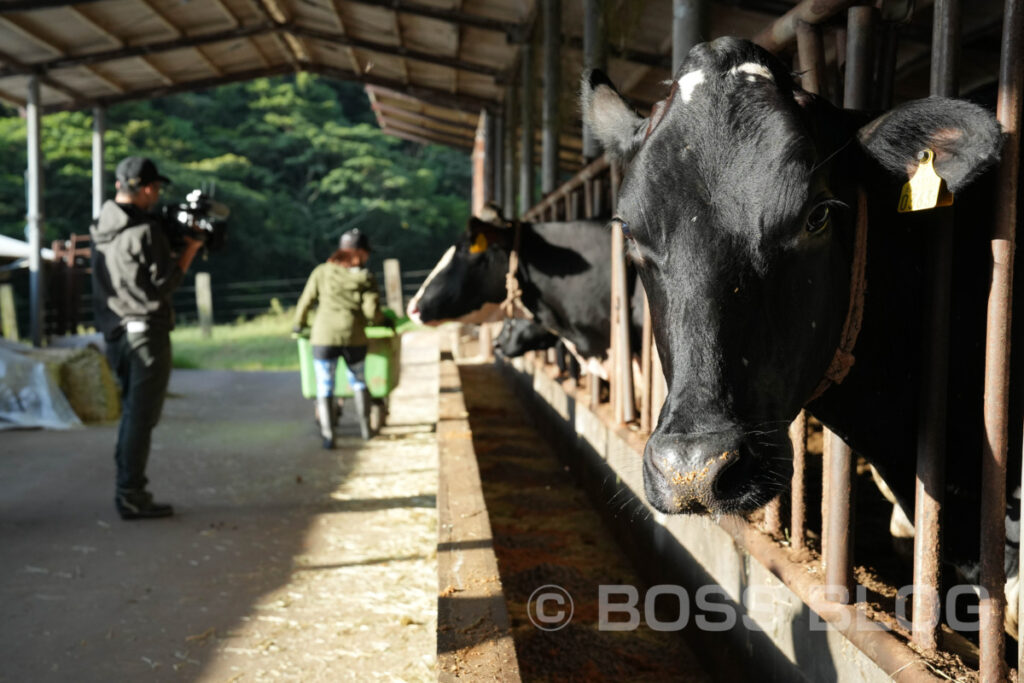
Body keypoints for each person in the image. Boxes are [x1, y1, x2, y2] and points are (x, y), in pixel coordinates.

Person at [91, 156, 203, 520]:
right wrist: (188, 251)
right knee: (141, 418)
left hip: (115, 332)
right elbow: (164, 284)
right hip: (146, 333)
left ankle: (129, 487)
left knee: (131, 415)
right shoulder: (146, 232)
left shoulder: (101, 227)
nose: (156, 196)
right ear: (146, 188)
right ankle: (131, 493)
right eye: (155, 188)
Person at [293, 229, 388, 446]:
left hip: (323, 337)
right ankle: (366, 431)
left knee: (325, 385)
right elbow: (372, 312)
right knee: (358, 381)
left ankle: (329, 437)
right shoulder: (366, 277)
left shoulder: (321, 272)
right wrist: (384, 322)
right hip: (353, 338)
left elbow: (306, 300)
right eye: (367, 254)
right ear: (360, 253)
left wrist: (299, 324)